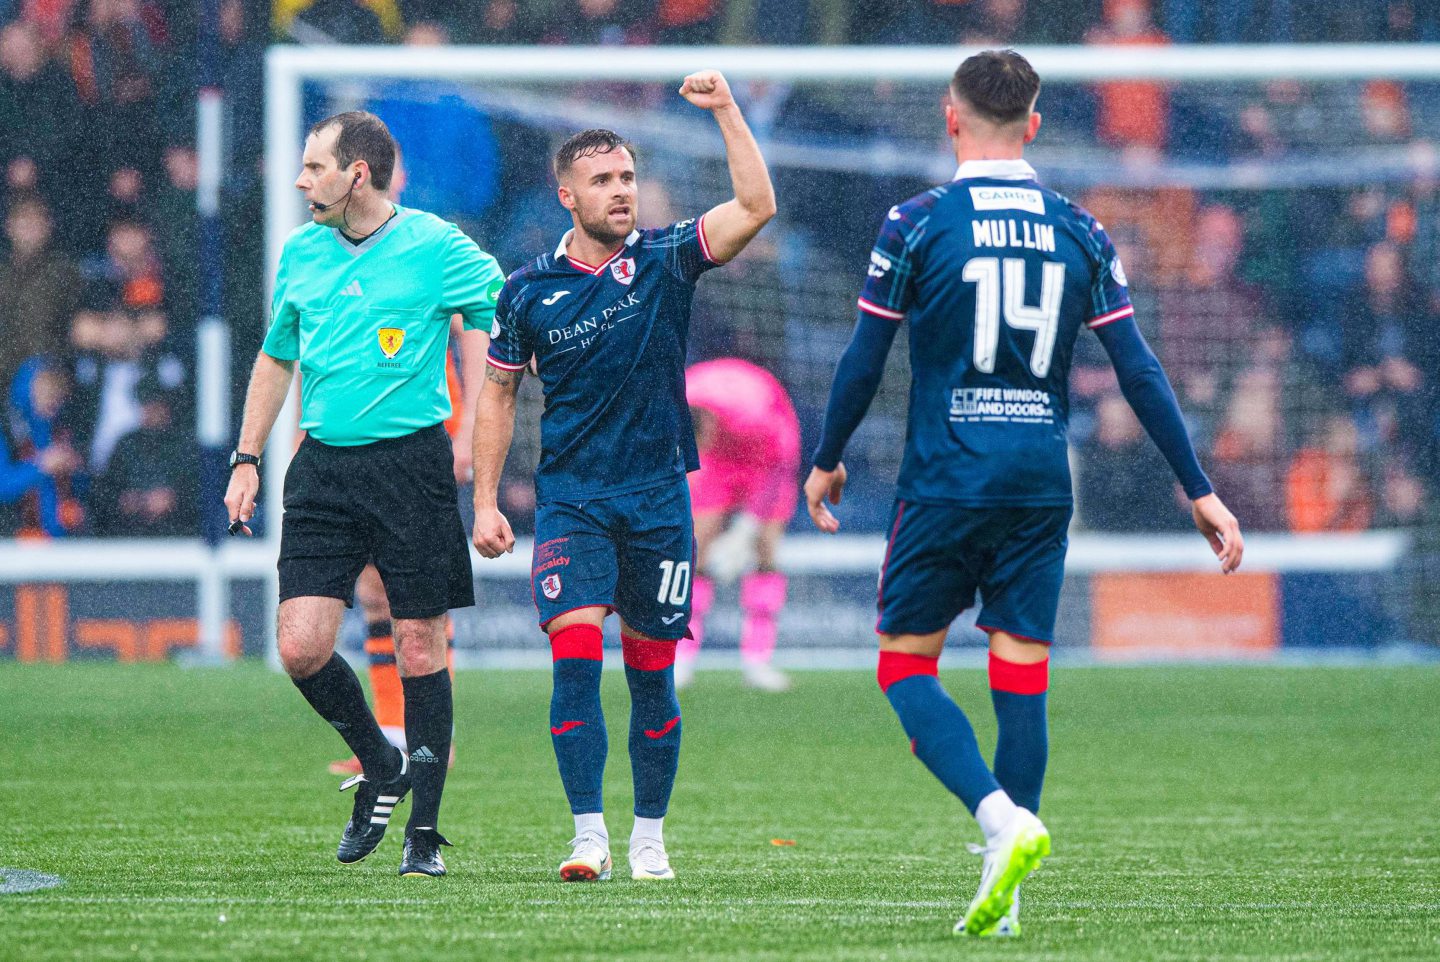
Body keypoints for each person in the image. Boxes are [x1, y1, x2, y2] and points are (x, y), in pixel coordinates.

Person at [804, 50, 1244, 938]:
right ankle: (1007, 905)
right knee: (1021, 674)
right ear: (1036, 124)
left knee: (903, 664)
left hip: (947, 477)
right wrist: (1198, 487)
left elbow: (865, 356)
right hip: (1042, 481)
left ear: (950, 116)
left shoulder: (917, 221)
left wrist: (828, 455)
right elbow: (1138, 367)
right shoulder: (1080, 227)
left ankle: (1001, 822)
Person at [471, 70, 775, 883]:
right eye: (603, 180)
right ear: (565, 194)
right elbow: (497, 394)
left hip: (658, 501)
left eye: (629, 178)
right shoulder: (526, 291)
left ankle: (649, 839)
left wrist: (726, 111)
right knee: (574, 658)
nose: (622, 193)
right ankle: (587, 839)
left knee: (650, 680)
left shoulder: (668, 259)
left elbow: (755, 209)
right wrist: (486, 499)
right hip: (573, 501)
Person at [223, 110, 503, 878]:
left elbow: (505, 317)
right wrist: (247, 456)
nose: (300, 179)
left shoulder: (436, 246)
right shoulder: (302, 253)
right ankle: (381, 763)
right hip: (322, 465)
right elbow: (277, 357)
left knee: (420, 644)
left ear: (357, 174)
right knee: (300, 646)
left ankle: (425, 835)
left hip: (411, 466)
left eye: (314, 166)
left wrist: (487, 431)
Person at [676, 358, 800, 691]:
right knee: (696, 549)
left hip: (768, 463)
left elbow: (781, 464)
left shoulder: (756, 414)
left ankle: (758, 660)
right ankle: (682, 656)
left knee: (766, 551)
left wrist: (745, 530)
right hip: (720, 461)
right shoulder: (678, 396)